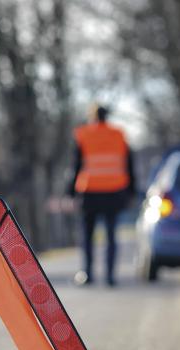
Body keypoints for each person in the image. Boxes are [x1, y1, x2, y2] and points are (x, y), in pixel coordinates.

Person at [69, 104, 136, 286]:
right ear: (107, 116)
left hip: (89, 191)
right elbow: (129, 164)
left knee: (87, 235)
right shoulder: (119, 134)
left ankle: (88, 273)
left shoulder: (83, 134)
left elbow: (76, 165)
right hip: (114, 191)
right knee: (111, 235)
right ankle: (110, 276)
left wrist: (71, 191)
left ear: (92, 116)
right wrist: (131, 191)